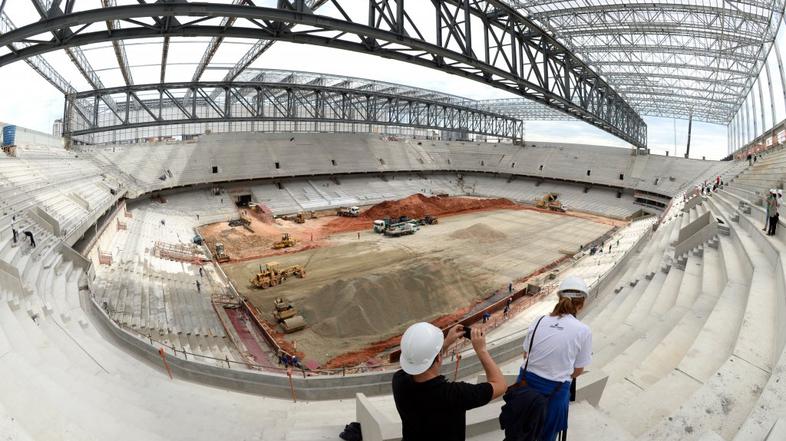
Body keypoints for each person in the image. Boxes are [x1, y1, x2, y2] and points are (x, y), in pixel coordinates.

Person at [392, 322, 506, 441]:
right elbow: (500, 384)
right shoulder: (455, 394)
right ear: (439, 358)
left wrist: (444, 344)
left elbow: (420, 363)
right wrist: (482, 350)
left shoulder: (399, 381)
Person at [516, 276, 593, 441]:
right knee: (546, 435)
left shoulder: (539, 320)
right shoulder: (583, 330)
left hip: (525, 384)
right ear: (581, 304)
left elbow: (526, 355)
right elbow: (578, 370)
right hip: (555, 391)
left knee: (519, 428)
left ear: (559, 299)